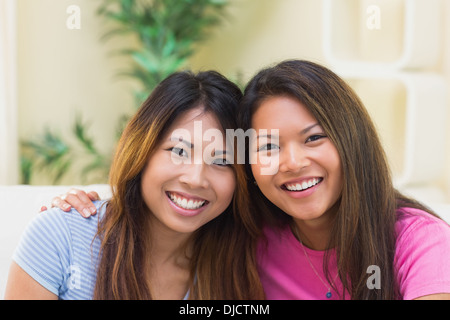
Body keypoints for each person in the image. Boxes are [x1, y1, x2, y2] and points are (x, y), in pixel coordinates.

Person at [42, 60, 450, 300]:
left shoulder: (419, 242)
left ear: (352, 142)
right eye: (268, 146)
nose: (292, 162)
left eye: (314, 138)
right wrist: (95, 203)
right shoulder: (247, 239)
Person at [5, 70, 264, 300]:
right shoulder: (61, 237)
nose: (195, 179)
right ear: (142, 153)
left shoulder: (240, 268)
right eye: (179, 151)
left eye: (221, 161)